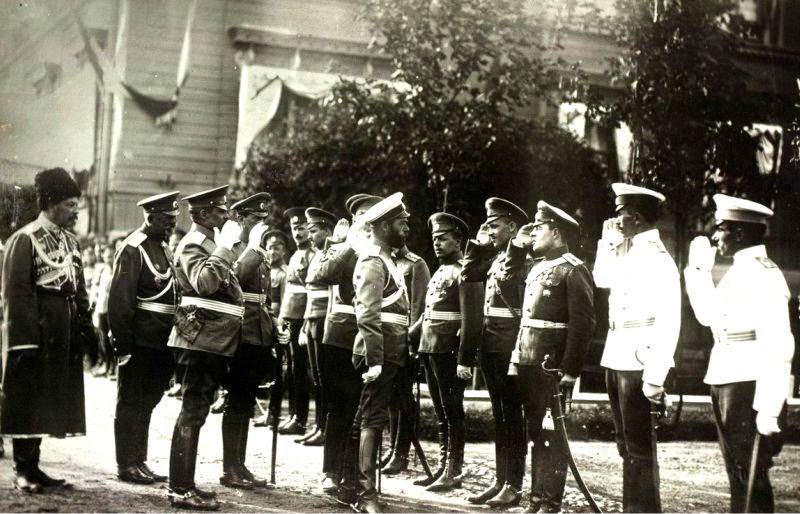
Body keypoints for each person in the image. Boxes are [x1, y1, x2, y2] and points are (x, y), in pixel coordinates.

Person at [684, 194, 794, 513]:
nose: (716, 236)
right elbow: (709, 317)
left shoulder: (764, 274)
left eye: (721, 228)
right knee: (739, 475)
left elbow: (779, 345)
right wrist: (698, 272)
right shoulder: (739, 270)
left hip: (748, 383)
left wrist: (770, 407)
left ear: (741, 233)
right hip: (727, 376)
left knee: (751, 476)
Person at [0, 167, 96, 493]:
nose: (75, 211)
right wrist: (23, 343)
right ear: (52, 203)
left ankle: (35, 466)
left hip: (62, 329)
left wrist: (86, 325)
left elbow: (78, 287)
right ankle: (22, 469)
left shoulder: (69, 240)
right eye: (70, 204)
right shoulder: (24, 239)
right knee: (28, 396)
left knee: (50, 398)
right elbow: (16, 294)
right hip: (36, 330)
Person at [593, 183, 680, 513]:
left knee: (640, 448)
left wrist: (656, 375)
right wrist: (608, 243)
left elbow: (670, 320)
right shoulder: (628, 251)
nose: (616, 222)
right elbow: (602, 279)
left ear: (638, 218)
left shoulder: (658, 259)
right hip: (617, 353)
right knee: (626, 446)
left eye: (621, 216)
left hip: (639, 358)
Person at [505, 201, 596, 513]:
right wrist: (517, 359)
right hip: (530, 359)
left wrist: (570, 369)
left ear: (556, 233)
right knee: (535, 432)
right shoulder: (536, 268)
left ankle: (550, 503)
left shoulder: (573, 269)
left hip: (552, 364)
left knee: (551, 434)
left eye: (538, 227)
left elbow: (584, 323)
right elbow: (509, 285)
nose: (532, 234)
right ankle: (536, 501)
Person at [166, 185, 243, 510]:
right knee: (193, 411)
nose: (226, 215)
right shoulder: (195, 244)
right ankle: (180, 489)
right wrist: (224, 247)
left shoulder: (208, 242)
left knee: (196, 411)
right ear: (201, 214)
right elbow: (206, 283)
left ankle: (183, 484)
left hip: (210, 340)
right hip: (199, 340)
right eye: (219, 210)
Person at [305, 193, 383, 502]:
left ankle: (355, 476)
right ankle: (331, 472)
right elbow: (319, 275)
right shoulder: (342, 248)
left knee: (363, 411)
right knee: (339, 406)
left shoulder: (386, 251)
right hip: (340, 334)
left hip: (370, 337)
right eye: (359, 216)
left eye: (370, 216)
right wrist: (343, 243)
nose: (364, 221)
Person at [108, 191, 180, 485]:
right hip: (139, 339)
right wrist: (123, 346)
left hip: (160, 340)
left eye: (174, 220)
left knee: (147, 400)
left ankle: (140, 460)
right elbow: (120, 302)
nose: (172, 226)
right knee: (131, 402)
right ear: (150, 218)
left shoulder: (162, 247)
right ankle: (126, 464)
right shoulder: (133, 248)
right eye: (166, 220)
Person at [461, 197, 529, 507]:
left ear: (513, 227)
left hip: (509, 344)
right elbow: (470, 275)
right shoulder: (496, 257)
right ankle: (501, 480)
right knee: (500, 416)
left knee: (512, 416)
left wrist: (513, 247)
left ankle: (513, 484)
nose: (490, 229)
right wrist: (477, 244)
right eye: (487, 224)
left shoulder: (522, 259)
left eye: (495, 224)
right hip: (491, 343)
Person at [349, 192, 412, 513]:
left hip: (390, 351)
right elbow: (367, 314)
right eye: (401, 221)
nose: (406, 226)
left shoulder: (386, 259)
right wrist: (374, 360)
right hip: (379, 353)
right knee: (372, 419)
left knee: (368, 416)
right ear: (384, 225)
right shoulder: (373, 262)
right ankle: (365, 495)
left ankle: (355, 487)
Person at [218, 193, 284, 489]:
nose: (260, 224)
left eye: (262, 219)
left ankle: (240, 465)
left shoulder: (259, 252)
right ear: (240, 219)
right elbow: (232, 281)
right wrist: (253, 249)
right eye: (255, 219)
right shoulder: (232, 248)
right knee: (236, 401)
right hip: (238, 334)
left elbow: (264, 300)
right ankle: (229, 467)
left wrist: (273, 329)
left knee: (245, 402)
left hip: (258, 333)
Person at [414, 213, 482, 491]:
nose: (437, 244)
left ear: (458, 241)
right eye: (434, 239)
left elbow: (472, 320)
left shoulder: (465, 272)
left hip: (449, 352)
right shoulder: (441, 270)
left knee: (452, 411)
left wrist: (465, 358)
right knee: (441, 412)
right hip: (430, 347)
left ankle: (454, 470)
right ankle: (443, 467)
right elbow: (428, 313)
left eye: (443, 239)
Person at [382, 225, 431, 476]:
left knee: (403, 396)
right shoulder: (384, 261)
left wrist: (411, 339)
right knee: (391, 395)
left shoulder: (416, 264)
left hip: (406, 340)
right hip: (388, 339)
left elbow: (421, 306)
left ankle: (401, 453)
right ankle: (392, 451)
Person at [297, 208, 338, 447]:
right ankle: (319, 425)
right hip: (312, 319)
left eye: (314, 231)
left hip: (325, 320)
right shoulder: (316, 255)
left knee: (325, 377)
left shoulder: (334, 254)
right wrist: (304, 324)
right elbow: (309, 294)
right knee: (317, 378)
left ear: (327, 230)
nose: (309, 235)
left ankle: (326, 428)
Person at [277, 207, 315, 436]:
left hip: (303, 318)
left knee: (301, 370)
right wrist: (281, 316)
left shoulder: (312, 255)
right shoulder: (294, 255)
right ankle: (293, 415)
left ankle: (300, 418)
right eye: (294, 228)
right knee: (291, 369)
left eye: (301, 227)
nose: (297, 232)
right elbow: (288, 292)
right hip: (290, 317)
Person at [252, 229, 290, 428]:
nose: (273, 251)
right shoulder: (262, 269)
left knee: (278, 372)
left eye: (277, 247)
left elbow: (285, 301)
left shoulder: (285, 273)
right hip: (262, 324)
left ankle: (274, 414)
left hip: (277, 324)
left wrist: (281, 325)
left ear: (284, 250)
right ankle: (265, 412)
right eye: (269, 247)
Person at [166, 227, 188, 398]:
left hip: (184, 310)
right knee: (172, 348)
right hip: (169, 309)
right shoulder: (167, 260)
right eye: (173, 244)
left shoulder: (186, 261)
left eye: (178, 244)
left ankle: (181, 382)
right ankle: (174, 381)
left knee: (182, 349)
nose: (175, 248)